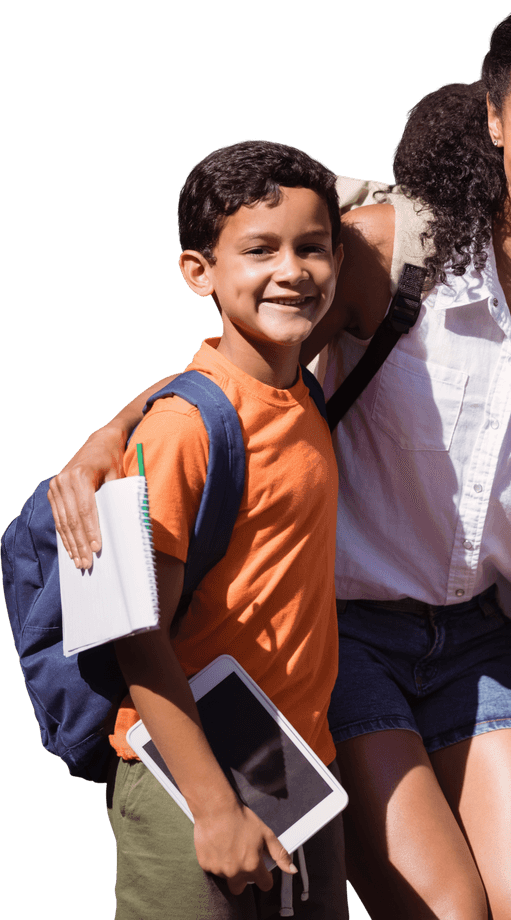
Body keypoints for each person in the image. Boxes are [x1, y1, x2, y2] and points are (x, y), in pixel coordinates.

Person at [47, 5, 511, 918]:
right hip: (346, 638)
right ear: (494, 119)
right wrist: (108, 436)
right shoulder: (391, 252)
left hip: (481, 644)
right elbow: (252, 365)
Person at [104, 139, 348, 918]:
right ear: (199, 271)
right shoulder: (184, 427)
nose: (292, 270)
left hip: (290, 771)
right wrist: (213, 808)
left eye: (313, 248)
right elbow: (132, 632)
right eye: (260, 250)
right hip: (191, 783)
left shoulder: (305, 394)